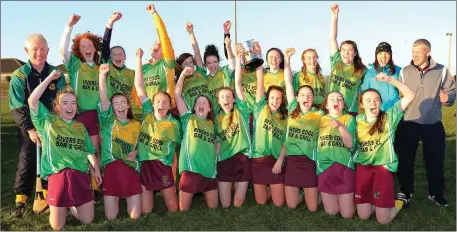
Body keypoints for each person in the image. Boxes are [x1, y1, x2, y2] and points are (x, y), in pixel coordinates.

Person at [28, 69, 101, 230]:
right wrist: (49, 78)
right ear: (57, 106)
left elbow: (89, 151)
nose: (70, 107)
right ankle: (61, 205)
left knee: (87, 220)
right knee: (57, 226)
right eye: (65, 103)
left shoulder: (80, 127)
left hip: (80, 174)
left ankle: (71, 205)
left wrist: (96, 168)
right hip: (59, 175)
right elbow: (32, 100)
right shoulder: (48, 121)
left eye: (73, 103)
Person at [8, 34, 66, 217]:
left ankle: (50, 194)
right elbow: (17, 106)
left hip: (53, 127)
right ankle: (21, 199)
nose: (39, 53)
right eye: (35, 49)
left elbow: (62, 99)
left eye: (43, 49)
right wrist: (31, 129)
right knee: (27, 159)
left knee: (52, 159)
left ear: (48, 51)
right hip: (30, 127)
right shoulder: (20, 76)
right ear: (27, 51)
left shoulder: (56, 73)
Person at [395, 39, 456, 207]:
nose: (414, 55)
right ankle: (406, 192)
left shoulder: (442, 70)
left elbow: (452, 91)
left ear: (428, 52)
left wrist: (448, 98)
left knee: (435, 161)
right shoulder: (405, 71)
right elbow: (400, 96)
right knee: (406, 160)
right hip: (409, 123)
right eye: (412, 52)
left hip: (433, 124)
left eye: (417, 52)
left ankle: (436, 193)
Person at [354, 72, 415, 224]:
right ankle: (377, 201)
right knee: (363, 216)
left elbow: (410, 95)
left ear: (381, 103)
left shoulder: (389, 117)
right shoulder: (356, 120)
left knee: (383, 220)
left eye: (376, 100)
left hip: (383, 168)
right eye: (368, 100)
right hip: (363, 168)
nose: (372, 103)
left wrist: (389, 80)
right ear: (361, 104)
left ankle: (400, 200)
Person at [59, 14, 102, 189]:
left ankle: (96, 183)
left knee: (95, 150)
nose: (87, 47)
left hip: (98, 116)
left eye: (89, 45)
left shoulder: (101, 67)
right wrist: (69, 26)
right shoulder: (76, 65)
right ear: (79, 49)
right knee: (81, 151)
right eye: (83, 45)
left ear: (94, 48)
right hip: (81, 115)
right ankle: (83, 184)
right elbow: (62, 50)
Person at [134, 48, 180, 213]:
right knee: (146, 211)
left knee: (174, 209)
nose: (161, 105)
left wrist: (173, 173)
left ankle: (169, 189)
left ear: (170, 106)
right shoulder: (147, 112)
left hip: (162, 165)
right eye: (158, 101)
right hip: (146, 163)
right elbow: (139, 85)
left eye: (165, 102)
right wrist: (138, 59)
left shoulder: (173, 124)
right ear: (152, 104)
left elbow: (174, 151)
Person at [98, 64, 142, 220]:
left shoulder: (137, 125)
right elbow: (103, 97)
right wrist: (102, 76)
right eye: (116, 104)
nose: (120, 106)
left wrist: (136, 152)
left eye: (123, 103)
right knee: (111, 217)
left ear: (128, 105)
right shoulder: (107, 121)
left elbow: (143, 145)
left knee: (135, 216)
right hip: (112, 167)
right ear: (112, 107)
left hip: (130, 167)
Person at [246, 42, 287, 207]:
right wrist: (258, 56)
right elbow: (260, 78)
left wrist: (280, 161)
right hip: (258, 160)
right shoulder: (260, 109)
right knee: (261, 202)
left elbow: (286, 142)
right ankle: (267, 188)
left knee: (279, 203)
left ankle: (281, 187)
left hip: (276, 161)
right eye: (272, 98)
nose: (275, 101)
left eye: (278, 98)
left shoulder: (285, 117)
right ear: (266, 98)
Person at [283, 48, 323, 211]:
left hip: (309, 161)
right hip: (292, 160)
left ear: (313, 99)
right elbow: (287, 82)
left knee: (313, 208)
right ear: (297, 97)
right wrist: (286, 59)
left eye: (309, 96)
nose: (306, 98)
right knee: (292, 205)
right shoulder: (292, 108)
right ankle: (300, 194)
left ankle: (319, 192)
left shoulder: (319, 114)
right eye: (303, 95)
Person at [175, 66, 218, 211]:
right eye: (198, 102)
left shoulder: (212, 124)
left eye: (205, 102)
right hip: (191, 169)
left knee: (214, 208)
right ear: (193, 108)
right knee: (183, 210)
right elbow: (177, 95)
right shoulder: (188, 119)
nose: (201, 103)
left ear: (210, 109)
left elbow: (217, 142)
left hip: (210, 169)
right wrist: (182, 74)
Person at [316, 91, 356, 218]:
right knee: (331, 212)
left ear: (343, 105)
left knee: (347, 215)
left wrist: (340, 126)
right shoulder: (320, 119)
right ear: (326, 105)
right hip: (324, 167)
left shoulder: (349, 119)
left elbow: (350, 144)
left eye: (339, 99)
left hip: (344, 167)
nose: (336, 101)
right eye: (332, 99)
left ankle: (364, 202)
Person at [187, 21, 235, 114]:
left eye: (215, 62)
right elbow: (197, 53)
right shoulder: (204, 78)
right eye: (209, 63)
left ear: (219, 61)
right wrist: (191, 33)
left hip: (231, 116)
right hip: (215, 121)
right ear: (205, 64)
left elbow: (232, 62)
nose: (212, 65)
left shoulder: (225, 72)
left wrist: (228, 45)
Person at [328, 4, 367, 116]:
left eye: (350, 50)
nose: (346, 53)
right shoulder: (336, 61)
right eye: (343, 50)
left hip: (350, 111)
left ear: (355, 53)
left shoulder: (362, 70)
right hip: (332, 109)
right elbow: (332, 39)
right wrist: (335, 16)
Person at [100, 12, 139, 111]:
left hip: (126, 111)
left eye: (120, 54)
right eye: (114, 54)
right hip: (110, 109)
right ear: (109, 57)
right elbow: (105, 45)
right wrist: (110, 23)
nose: (117, 56)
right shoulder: (107, 67)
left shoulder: (133, 74)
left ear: (125, 57)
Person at [141, 4, 177, 107]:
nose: (157, 44)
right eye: (155, 43)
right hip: (148, 112)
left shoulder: (167, 64)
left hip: (166, 109)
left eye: (161, 45)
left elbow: (163, 36)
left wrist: (154, 14)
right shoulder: (143, 67)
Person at [361, 42, 402, 111]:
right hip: (376, 111)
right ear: (376, 56)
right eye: (380, 54)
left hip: (394, 112)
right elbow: (365, 93)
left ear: (390, 56)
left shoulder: (398, 70)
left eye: (386, 53)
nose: (383, 56)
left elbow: (402, 92)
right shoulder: (369, 73)